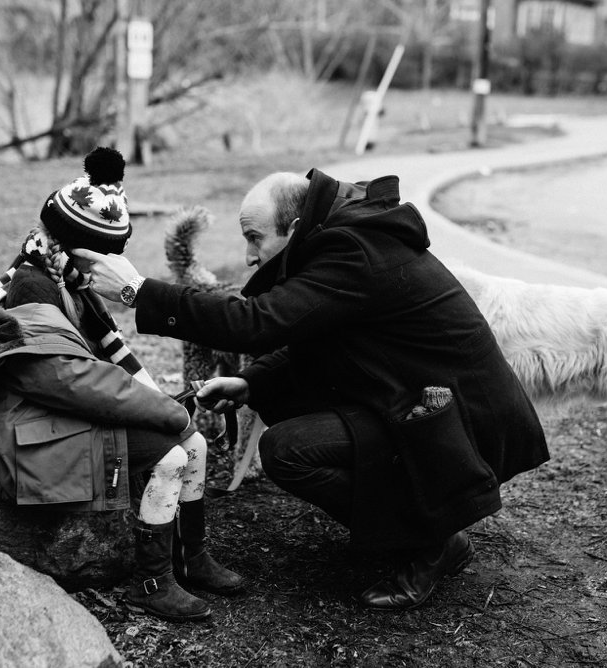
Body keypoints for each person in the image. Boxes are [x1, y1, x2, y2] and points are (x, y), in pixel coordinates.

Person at [74, 167, 549, 610]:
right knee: (291, 428)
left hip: (453, 417)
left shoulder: (353, 252)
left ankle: (434, 542)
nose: (249, 256)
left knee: (288, 451)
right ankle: (416, 524)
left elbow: (256, 322)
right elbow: (314, 335)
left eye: (256, 238)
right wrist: (249, 381)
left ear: (296, 226)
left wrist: (139, 291)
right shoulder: (346, 239)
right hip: (414, 398)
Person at [0, 147, 243, 622]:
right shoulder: (33, 287)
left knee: (194, 444)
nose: (111, 265)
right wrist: (160, 408)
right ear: (75, 244)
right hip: (29, 423)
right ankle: (153, 583)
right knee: (173, 450)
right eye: (105, 254)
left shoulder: (68, 281)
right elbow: (61, 378)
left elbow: (87, 370)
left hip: (58, 406)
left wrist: (160, 406)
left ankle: (190, 556)